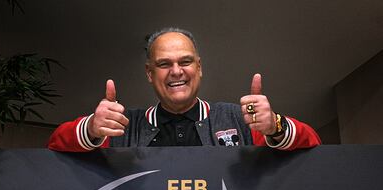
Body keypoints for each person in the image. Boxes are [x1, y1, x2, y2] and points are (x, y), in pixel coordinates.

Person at [48, 27, 321, 151]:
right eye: (164, 64)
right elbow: (56, 144)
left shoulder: (239, 119)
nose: (176, 71)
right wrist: (93, 129)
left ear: (199, 68)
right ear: (149, 73)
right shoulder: (121, 126)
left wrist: (274, 125)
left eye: (185, 62)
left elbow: (312, 144)